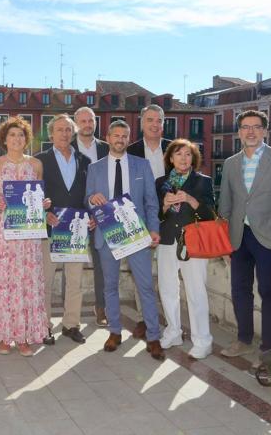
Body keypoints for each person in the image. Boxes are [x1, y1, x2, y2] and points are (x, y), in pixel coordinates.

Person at [218, 110, 271, 359]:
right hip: (238, 237)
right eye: (246, 127)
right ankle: (244, 339)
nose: (251, 132)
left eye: (256, 127)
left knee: (269, 291)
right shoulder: (231, 163)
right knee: (239, 290)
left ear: (265, 131)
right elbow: (225, 204)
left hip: (269, 237)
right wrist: (224, 238)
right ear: (239, 132)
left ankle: (268, 348)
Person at [86, 120, 164, 360]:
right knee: (110, 286)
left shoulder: (142, 166)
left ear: (129, 139)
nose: (119, 139)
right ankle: (115, 332)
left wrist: (154, 229)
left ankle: (153, 336)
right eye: (115, 135)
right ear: (107, 137)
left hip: (136, 234)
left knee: (145, 287)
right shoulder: (95, 168)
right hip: (107, 234)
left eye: (124, 136)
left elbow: (151, 201)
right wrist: (92, 200)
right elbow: (87, 199)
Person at [0, 117, 49, 356]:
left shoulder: (36, 165)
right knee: (4, 282)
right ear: (4, 140)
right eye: (12, 135)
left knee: (27, 282)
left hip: (29, 235)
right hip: (3, 233)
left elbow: (38, 198)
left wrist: (44, 203)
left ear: (26, 139)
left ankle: (24, 337)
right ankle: (5, 336)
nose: (17, 139)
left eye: (21, 135)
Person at [155, 139, 215, 359]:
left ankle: (203, 340)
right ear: (170, 158)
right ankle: (173, 331)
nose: (183, 158)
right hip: (167, 241)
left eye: (187, 154)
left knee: (196, 291)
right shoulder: (160, 182)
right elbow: (156, 216)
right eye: (178, 154)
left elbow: (210, 214)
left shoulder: (203, 182)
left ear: (193, 158)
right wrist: (164, 205)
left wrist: (190, 199)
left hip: (193, 243)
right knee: (167, 288)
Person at [36, 114, 91, 345]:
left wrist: (91, 217)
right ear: (51, 134)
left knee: (75, 281)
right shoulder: (39, 160)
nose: (64, 134)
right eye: (60, 130)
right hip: (51, 228)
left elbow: (88, 195)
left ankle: (71, 324)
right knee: (45, 281)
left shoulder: (85, 161)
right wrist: (43, 214)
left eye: (69, 130)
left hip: (77, 229)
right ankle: (44, 326)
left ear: (74, 132)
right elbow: (34, 194)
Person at [126, 104, 172, 340]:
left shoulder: (174, 149)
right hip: (139, 220)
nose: (155, 124)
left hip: (170, 220)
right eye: (150, 120)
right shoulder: (130, 151)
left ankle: (171, 321)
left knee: (168, 273)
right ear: (141, 123)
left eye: (159, 120)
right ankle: (145, 319)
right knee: (141, 273)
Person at [71, 106, 109, 327]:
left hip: (100, 217)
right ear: (76, 124)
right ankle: (70, 312)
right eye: (83, 121)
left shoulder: (106, 149)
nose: (87, 124)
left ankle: (101, 307)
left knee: (102, 265)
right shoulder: (66, 148)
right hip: (73, 216)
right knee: (70, 264)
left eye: (91, 121)